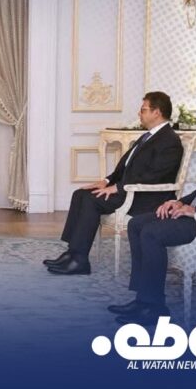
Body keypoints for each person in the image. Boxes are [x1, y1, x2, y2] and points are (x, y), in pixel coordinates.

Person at [109, 85, 196, 325]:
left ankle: (154, 307)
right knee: (137, 224)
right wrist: (180, 201)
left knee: (152, 232)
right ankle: (143, 299)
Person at [44, 92, 183, 275]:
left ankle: (80, 260)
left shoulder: (170, 141)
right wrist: (106, 181)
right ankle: (72, 253)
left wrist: (117, 187)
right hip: (128, 189)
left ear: (156, 112)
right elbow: (125, 166)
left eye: (143, 110)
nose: (139, 113)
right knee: (80, 194)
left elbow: (153, 176)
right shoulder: (148, 136)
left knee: (91, 200)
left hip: (144, 197)